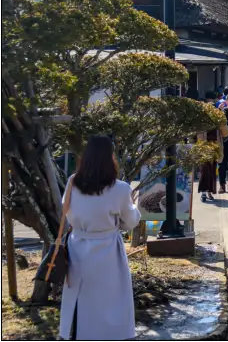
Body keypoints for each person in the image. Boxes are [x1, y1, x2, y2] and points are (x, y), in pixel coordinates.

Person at [57, 135, 141, 341]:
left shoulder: (73, 182)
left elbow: (66, 212)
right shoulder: (120, 188)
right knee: (110, 299)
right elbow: (130, 221)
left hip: (77, 245)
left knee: (79, 296)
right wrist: (132, 208)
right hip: (107, 248)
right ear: (110, 157)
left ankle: (76, 335)